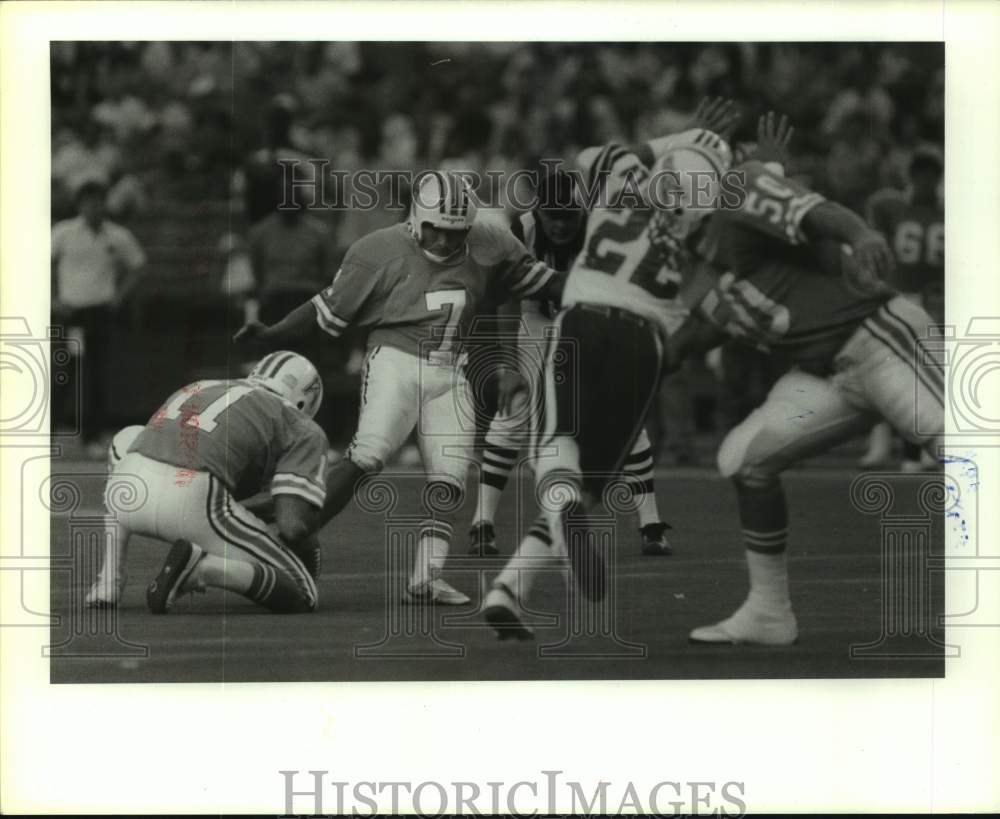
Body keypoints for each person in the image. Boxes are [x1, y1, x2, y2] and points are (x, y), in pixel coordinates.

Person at [234, 172, 564, 605]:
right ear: (417, 220)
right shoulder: (379, 250)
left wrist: (606, 293)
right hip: (396, 360)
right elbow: (324, 309)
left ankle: (425, 578)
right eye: (438, 230)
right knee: (368, 456)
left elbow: (544, 282)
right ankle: (271, 524)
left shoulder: (491, 242)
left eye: (455, 232)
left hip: (453, 371)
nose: (446, 242)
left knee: (450, 477)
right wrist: (274, 333)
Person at [677, 115, 943, 645]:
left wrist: (861, 231)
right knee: (744, 459)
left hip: (876, 337)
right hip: (826, 376)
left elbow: (814, 211)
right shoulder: (695, 262)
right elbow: (698, 333)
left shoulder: (737, 191)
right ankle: (769, 613)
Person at [482, 100, 740, 639]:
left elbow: (595, 157)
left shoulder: (619, 175)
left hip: (584, 320)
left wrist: (689, 136)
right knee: (593, 482)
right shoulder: (711, 224)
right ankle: (512, 587)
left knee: (556, 446)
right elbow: (710, 287)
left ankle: (530, 558)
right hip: (643, 339)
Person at [467, 168, 674, 558]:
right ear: (539, 211)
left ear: (583, 211)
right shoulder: (521, 228)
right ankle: (482, 522)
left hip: (595, 321)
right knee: (514, 412)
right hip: (539, 320)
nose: (560, 225)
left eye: (568, 216)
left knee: (626, 415)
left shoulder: (604, 228)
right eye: (553, 216)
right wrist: (509, 364)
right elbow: (507, 299)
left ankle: (651, 524)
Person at [87, 352, 327, 614]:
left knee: (127, 438)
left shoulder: (201, 385)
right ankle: (205, 568)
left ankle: (108, 581)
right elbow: (292, 525)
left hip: (128, 493)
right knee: (303, 591)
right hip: (193, 499)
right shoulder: (300, 424)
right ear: (305, 401)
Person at [858, 145, 944, 471]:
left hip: (934, 300)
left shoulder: (949, 209)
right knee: (883, 371)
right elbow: (874, 248)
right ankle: (880, 445)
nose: (925, 180)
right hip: (897, 296)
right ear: (911, 176)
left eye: (931, 173)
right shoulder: (889, 205)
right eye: (920, 173)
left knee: (927, 376)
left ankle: (923, 448)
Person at [51, 179, 146, 458]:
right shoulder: (64, 232)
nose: (93, 207)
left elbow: (138, 266)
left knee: (97, 375)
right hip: (73, 315)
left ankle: (92, 436)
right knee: (65, 372)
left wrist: (119, 296)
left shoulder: (117, 236)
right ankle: (51, 431)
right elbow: (44, 264)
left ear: (104, 204)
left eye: (98, 201)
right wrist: (54, 298)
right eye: (87, 201)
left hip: (100, 313)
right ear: (80, 205)